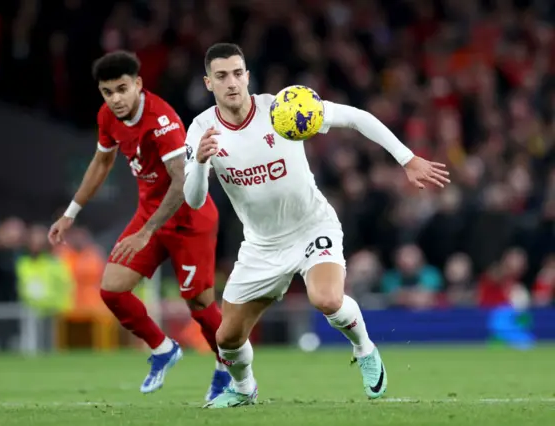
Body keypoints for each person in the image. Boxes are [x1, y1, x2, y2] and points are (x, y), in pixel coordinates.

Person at [183, 43, 450, 408]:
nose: (232, 83)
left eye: (238, 73)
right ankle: (244, 389)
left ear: (247, 75)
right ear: (208, 82)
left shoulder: (282, 109)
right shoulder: (201, 129)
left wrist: (406, 158)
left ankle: (365, 349)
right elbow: (194, 199)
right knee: (226, 338)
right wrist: (199, 162)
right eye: (222, 76)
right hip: (261, 245)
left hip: (311, 226)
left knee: (326, 299)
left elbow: (356, 117)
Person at [48, 51, 229, 400]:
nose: (115, 99)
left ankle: (229, 368)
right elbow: (101, 163)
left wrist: (146, 232)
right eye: (107, 91)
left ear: (138, 85)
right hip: (150, 215)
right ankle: (163, 349)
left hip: (189, 218)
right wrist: (71, 212)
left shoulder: (162, 120)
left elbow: (180, 184)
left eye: (121, 89)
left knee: (198, 303)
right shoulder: (108, 116)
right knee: (112, 289)